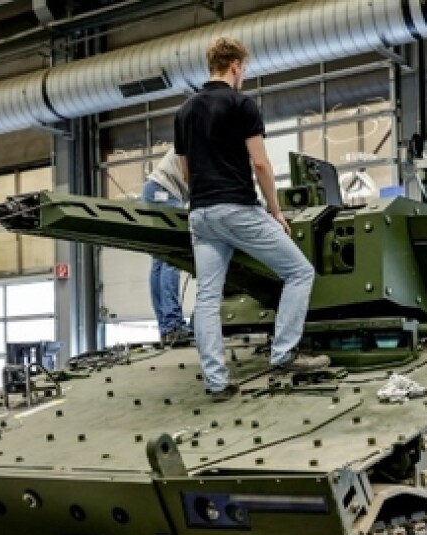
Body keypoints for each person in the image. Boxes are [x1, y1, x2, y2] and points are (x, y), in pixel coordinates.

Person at [175, 37, 329, 402]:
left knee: (208, 299)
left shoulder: (184, 111)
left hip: (200, 214)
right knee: (299, 272)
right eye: (244, 68)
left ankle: (216, 383)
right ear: (235, 66)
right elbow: (260, 163)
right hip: (237, 208)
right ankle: (284, 354)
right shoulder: (241, 104)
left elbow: (185, 172)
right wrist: (275, 211)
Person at [141, 148, 192, 344]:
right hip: (164, 191)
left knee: (160, 260)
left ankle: (166, 326)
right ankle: (172, 325)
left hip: (154, 189)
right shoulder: (203, 134)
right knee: (173, 257)